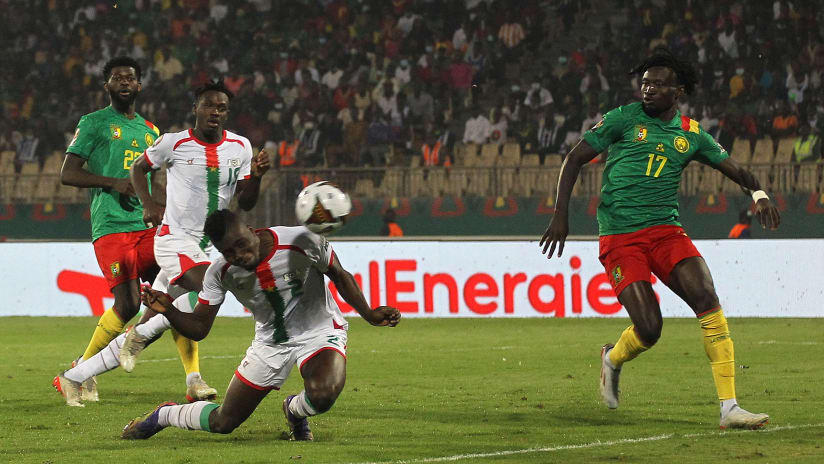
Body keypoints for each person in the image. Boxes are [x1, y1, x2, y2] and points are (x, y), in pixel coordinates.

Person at [539, 51, 781, 429]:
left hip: (666, 231)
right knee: (650, 329)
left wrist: (759, 195)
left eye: (658, 84)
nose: (648, 89)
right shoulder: (622, 118)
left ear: (678, 91)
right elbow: (573, 158)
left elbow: (735, 169)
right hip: (621, 236)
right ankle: (612, 358)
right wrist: (560, 214)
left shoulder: (690, 133)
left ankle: (729, 407)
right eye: (645, 83)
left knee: (706, 296)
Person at [54, 79, 270, 406]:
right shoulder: (173, 142)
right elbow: (138, 169)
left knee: (158, 319)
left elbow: (247, 201)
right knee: (209, 288)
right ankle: (146, 341)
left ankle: (76, 376)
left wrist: (258, 177)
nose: (215, 112)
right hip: (175, 241)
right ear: (195, 109)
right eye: (209, 105)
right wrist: (148, 204)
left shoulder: (240, 147)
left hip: (211, 245)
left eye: (222, 107)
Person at [121, 209, 401, 441]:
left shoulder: (300, 241)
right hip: (269, 344)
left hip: (319, 331)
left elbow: (338, 274)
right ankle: (165, 415)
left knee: (324, 393)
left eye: (242, 244)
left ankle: (294, 410)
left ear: (251, 229)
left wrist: (369, 313)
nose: (239, 256)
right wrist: (168, 309)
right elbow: (199, 328)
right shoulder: (220, 273)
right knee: (223, 422)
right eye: (229, 253)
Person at [53, 56, 164, 405]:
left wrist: (161, 208)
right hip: (111, 225)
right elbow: (67, 174)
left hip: (144, 226)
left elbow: (152, 180)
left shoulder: (151, 131)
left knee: (174, 286)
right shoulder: (94, 123)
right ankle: (81, 369)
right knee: (128, 303)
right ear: (108, 86)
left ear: (140, 85)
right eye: (117, 78)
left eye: (130, 78)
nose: (124, 82)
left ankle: (194, 379)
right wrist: (113, 183)